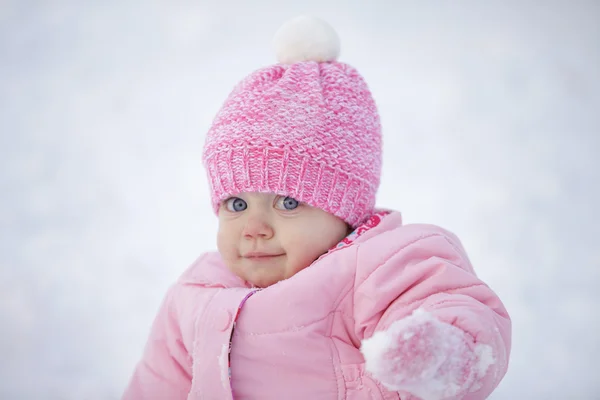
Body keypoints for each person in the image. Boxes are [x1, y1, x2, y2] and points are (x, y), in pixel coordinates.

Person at [122, 15, 511, 400]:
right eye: (237, 203)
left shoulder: (379, 269)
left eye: (288, 202)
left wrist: (436, 354)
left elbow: (457, 312)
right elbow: (157, 385)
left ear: (344, 211)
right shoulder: (197, 292)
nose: (254, 227)